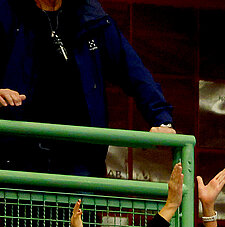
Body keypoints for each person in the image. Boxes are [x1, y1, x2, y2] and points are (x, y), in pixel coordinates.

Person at [0, 0, 173, 175]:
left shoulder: (91, 17)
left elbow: (135, 73)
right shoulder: (7, 12)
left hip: (81, 165)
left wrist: (162, 121)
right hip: (18, 162)